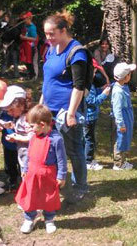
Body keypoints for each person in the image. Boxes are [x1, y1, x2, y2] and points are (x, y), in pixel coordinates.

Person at [40, 10, 89, 202]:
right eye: (46, 34)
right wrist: (41, 105)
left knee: (74, 150)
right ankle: (57, 181)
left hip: (66, 111)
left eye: (52, 33)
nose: (48, 37)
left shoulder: (76, 52)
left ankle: (80, 186)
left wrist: (72, 113)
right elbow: (48, 79)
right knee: (52, 147)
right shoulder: (51, 49)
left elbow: (79, 85)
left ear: (63, 30)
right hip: (49, 109)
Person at [14, 104, 67, 234]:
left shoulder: (56, 140)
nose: (30, 129)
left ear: (42, 124)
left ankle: (49, 219)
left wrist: (61, 176)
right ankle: (29, 218)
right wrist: (25, 169)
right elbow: (29, 155)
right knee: (30, 196)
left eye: (32, 126)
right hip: (32, 173)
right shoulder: (33, 137)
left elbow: (62, 160)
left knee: (48, 197)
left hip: (48, 175)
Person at [0, 85, 32, 190]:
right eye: (7, 110)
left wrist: (16, 137)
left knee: (25, 169)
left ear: (21, 105)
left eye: (11, 110)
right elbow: (1, 121)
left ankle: (27, 188)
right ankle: (13, 179)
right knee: (11, 163)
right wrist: (2, 124)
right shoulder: (8, 113)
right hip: (11, 146)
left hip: (25, 150)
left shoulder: (28, 118)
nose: (9, 113)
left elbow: (32, 137)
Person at [84, 67, 111, 171]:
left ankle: (89, 159)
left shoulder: (91, 84)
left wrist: (101, 89)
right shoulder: (88, 86)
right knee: (89, 140)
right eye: (93, 72)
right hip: (89, 117)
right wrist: (104, 95)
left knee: (90, 139)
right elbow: (93, 102)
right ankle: (88, 162)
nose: (95, 75)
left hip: (91, 117)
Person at [111, 63, 136, 170]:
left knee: (125, 139)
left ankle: (123, 161)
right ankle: (118, 164)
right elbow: (117, 110)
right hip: (121, 119)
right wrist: (121, 124)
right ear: (126, 77)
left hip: (126, 117)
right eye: (130, 74)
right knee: (120, 140)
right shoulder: (118, 92)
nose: (130, 75)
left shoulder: (122, 87)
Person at [19, 11, 38, 80]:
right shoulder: (25, 26)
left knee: (32, 62)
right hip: (25, 47)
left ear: (29, 18)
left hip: (31, 47)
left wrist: (24, 38)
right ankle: (30, 75)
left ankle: (34, 77)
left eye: (25, 19)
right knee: (26, 62)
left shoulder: (32, 27)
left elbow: (34, 39)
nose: (24, 20)